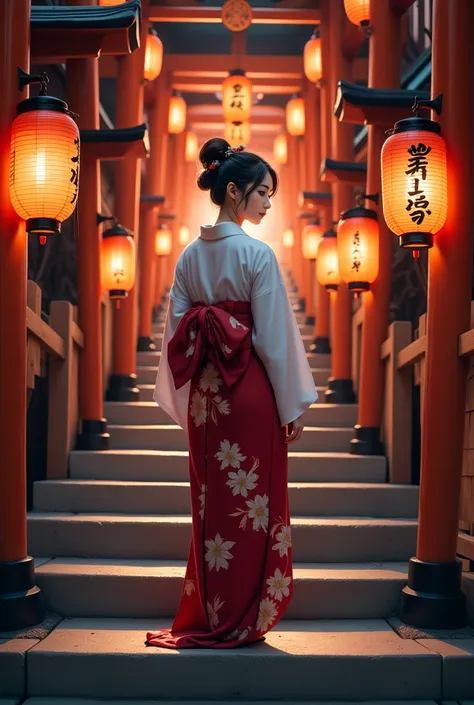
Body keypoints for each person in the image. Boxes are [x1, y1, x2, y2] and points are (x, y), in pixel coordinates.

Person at [146, 137, 317, 650]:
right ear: (235, 192)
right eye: (263, 193)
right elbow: (273, 339)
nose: (268, 203)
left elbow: (177, 330)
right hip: (250, 395)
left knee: (212, 507)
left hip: (207, 398)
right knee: (255, 506)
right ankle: (243, 616)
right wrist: (291, 405)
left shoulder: (187, 259)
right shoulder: (256, 255)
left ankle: (210, 611)